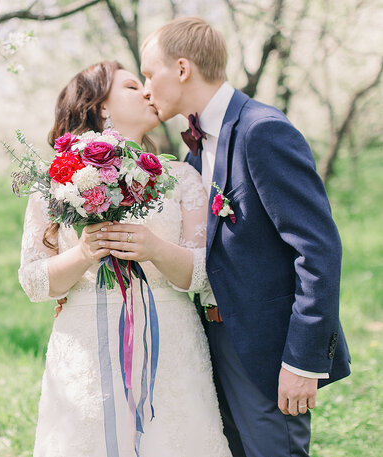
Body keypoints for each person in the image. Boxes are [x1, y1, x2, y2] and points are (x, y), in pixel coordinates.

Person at [128, 17, 351, 457]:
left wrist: (303, 360)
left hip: (268, 349)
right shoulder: (195, 149)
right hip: (211, 342)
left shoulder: (261, 130)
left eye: (150, 75)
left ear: (182, 68)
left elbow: (318, 248)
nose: (147, 89)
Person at [18, 61, 232, 456]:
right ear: (102, 107)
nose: (148, 92)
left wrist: (155, 249)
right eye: (133, 86)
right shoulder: (55, 181)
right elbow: (34, 282)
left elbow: (205, 274)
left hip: (169, 339)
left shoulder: (182, 177)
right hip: (84, 341)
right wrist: (84, 253)